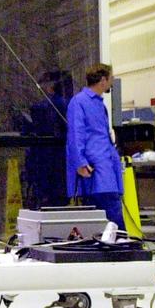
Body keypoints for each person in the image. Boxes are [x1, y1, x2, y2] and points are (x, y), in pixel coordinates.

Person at [66, 63, 125, 232]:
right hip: (95, 168)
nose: (112, 81)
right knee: (110, 211)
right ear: (102, 80)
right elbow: (76, 134)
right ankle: (122, 244)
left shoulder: (99, 104)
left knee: (108, 209)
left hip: (105, 164)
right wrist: (80, 163)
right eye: (111, 78)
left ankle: (116, 244)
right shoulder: (79, 102)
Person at [22, 70, 69, 209]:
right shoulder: (65, 105)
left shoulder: (43, 107)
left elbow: (29, 130)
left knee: (45, 201)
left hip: (44, 160)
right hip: (57, 162)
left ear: (50, 87)